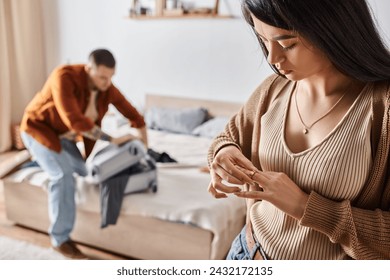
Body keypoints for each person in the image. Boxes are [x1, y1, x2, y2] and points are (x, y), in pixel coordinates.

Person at [207, 0, 390, 260]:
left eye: (287, 44)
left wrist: (304, 206)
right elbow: (229, 137)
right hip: (246, 253)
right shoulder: (272, 89)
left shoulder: (383, 107)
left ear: (333, 29)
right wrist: (223, 156)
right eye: (263, 40)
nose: (272, 58)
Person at [20, 48, 148, 259]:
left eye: (111, 77)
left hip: (65, 137)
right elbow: (75, 121)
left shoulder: (106, 88)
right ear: (89, 69)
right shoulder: (63, 76)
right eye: (102, 77)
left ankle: (38, 161)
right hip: (39, 130)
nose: (107, 83)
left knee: (85, 172)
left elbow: (134, 116)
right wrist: (112, 139)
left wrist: (145, 146)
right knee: (63, 176)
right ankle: (60, 239)